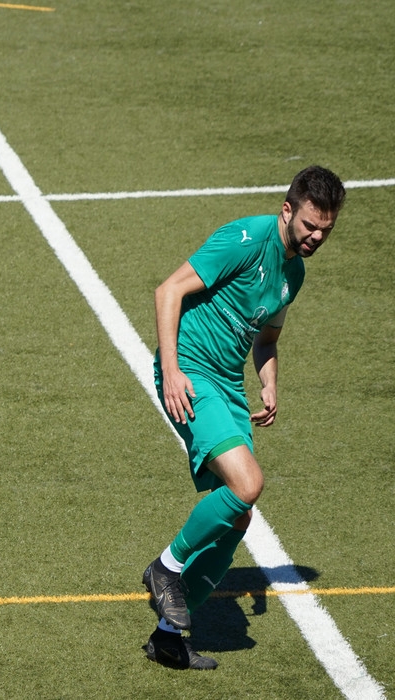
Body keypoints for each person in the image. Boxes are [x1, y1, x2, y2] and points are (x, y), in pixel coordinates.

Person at [141, 165, 346, 669]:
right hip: (192, 371)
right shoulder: (245, 239)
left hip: (229, 386)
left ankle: (168, 637)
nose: (316, 237)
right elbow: (168, 291)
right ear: (287, 210)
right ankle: (165, 569)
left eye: (326, 229)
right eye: (310, 225)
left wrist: (269, 380)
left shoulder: (294, 273)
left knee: (238, 515)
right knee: (248, 483)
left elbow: (267, 338)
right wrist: (172, 369)